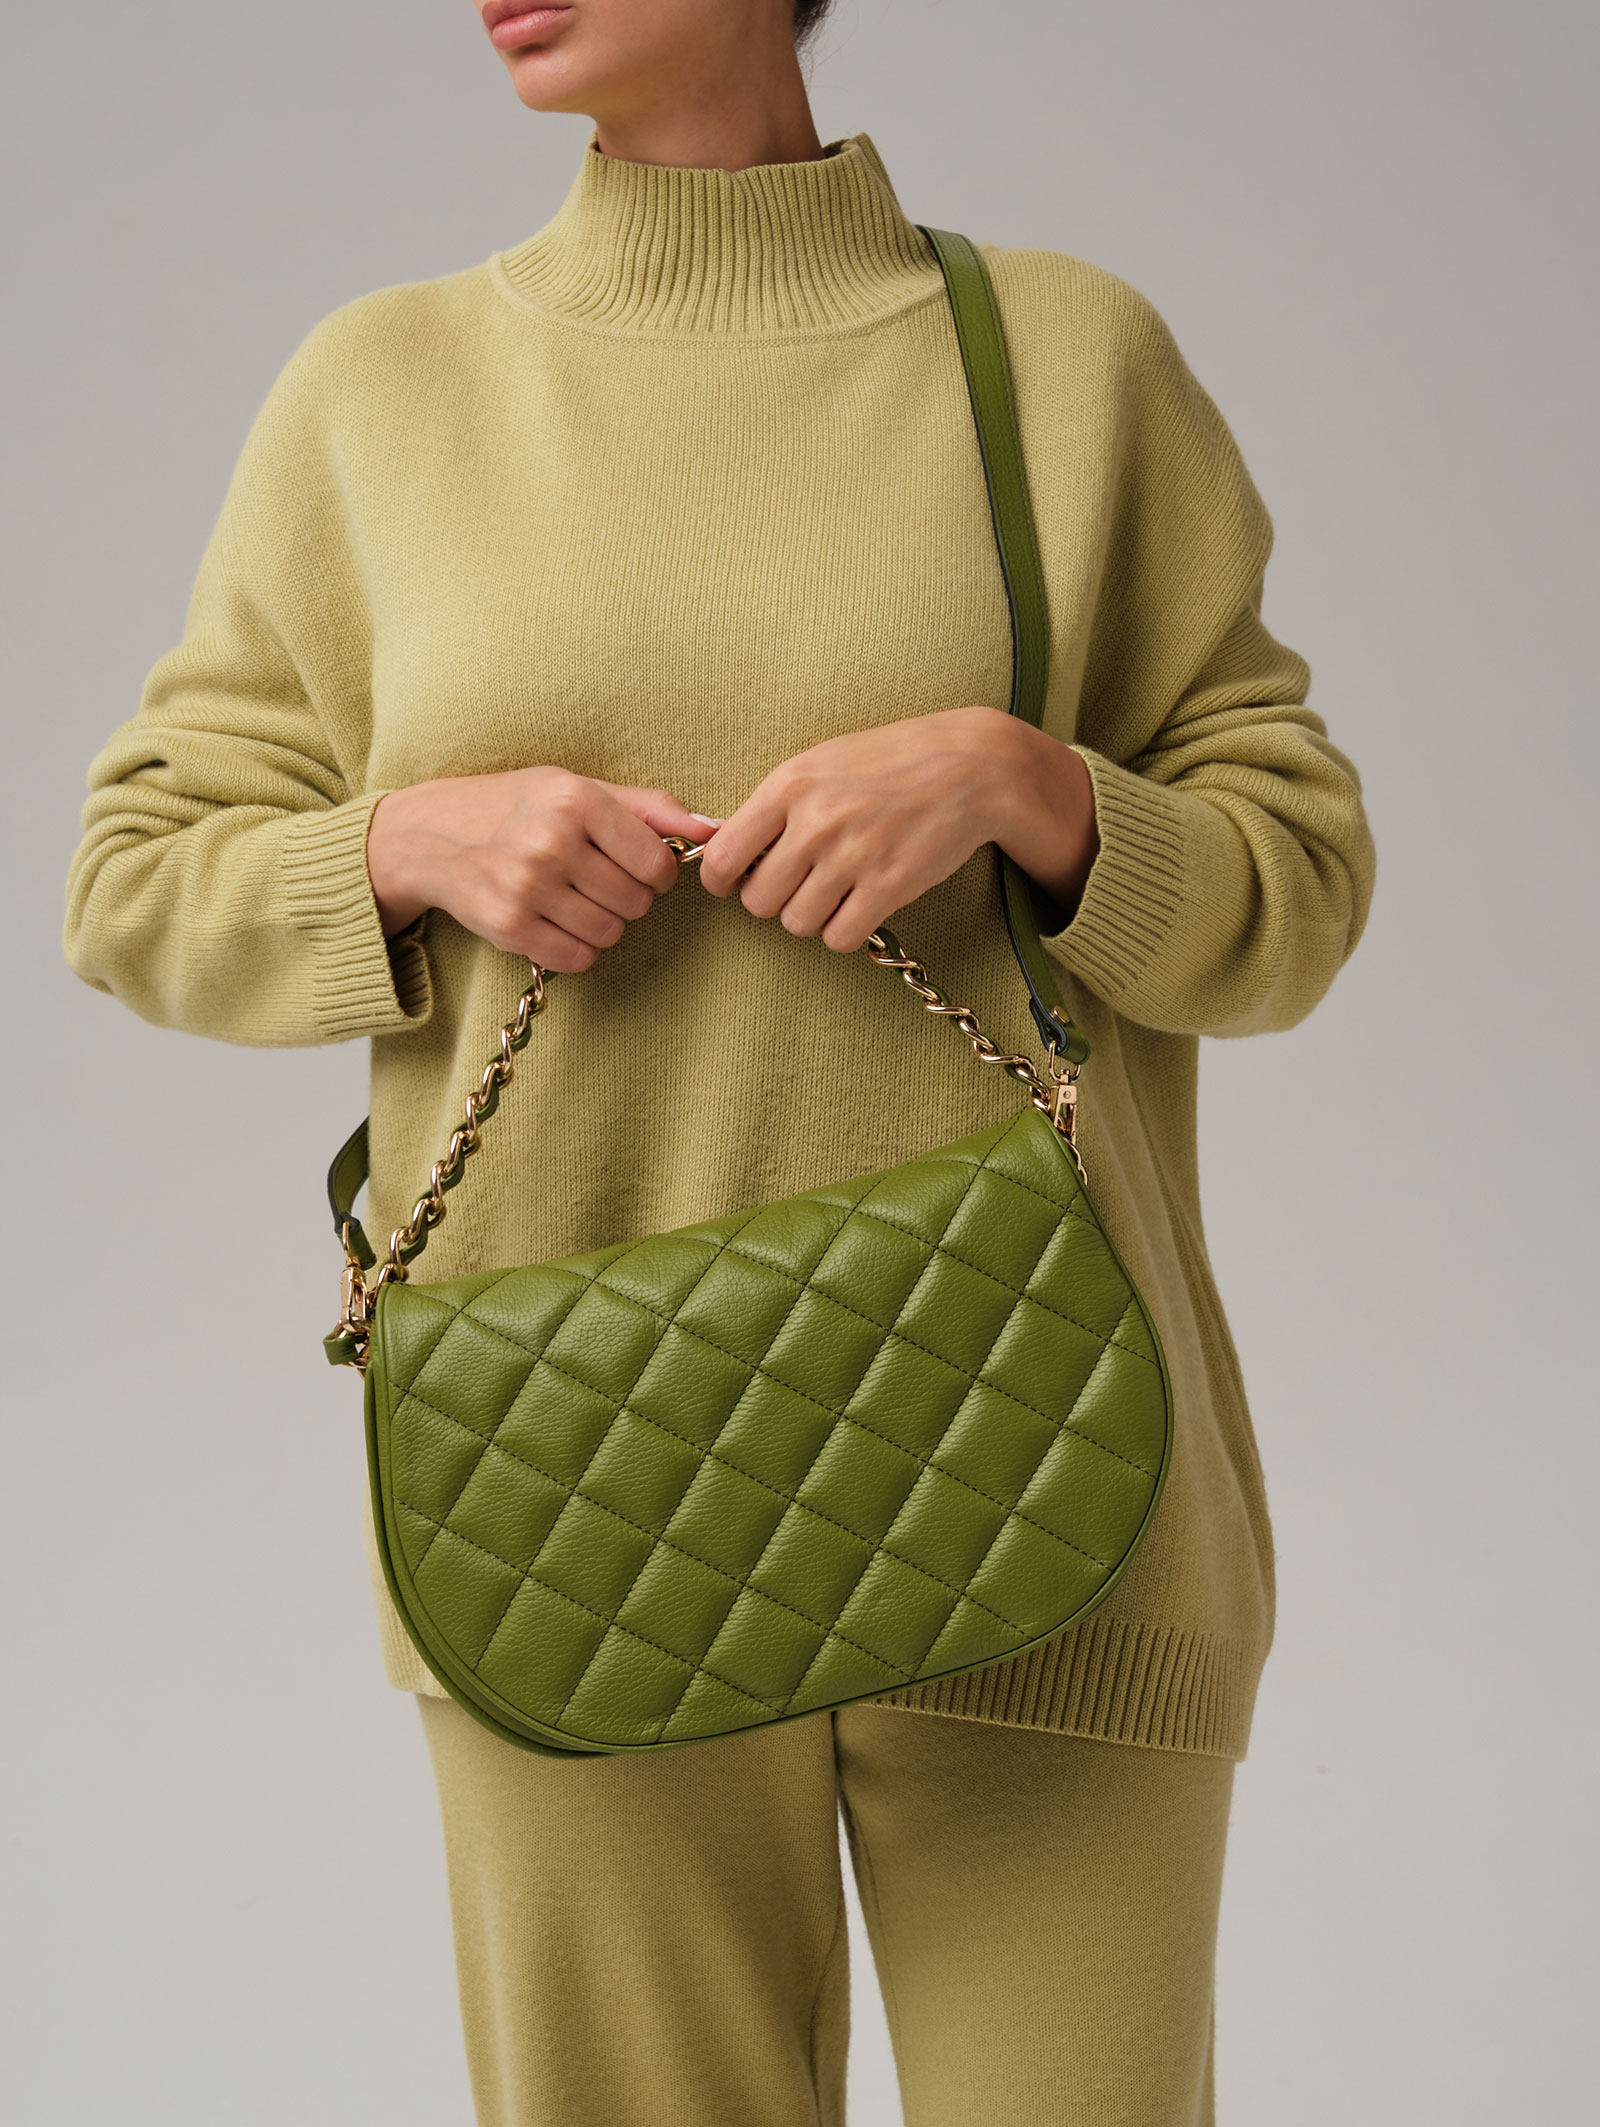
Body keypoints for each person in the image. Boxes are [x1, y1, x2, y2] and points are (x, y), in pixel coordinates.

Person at [62, 2, 1377, 2121]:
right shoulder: (383, 391)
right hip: (561, 1522)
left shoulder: (1063, 363)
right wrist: (406, 846)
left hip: (1054, 1462)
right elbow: (134, 882)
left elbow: (1295, 887)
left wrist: (1027, 788)